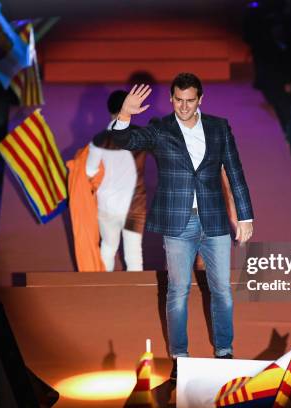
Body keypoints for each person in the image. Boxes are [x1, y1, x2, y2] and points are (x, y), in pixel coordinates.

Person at [110, 73, 254, 379]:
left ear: (200, 100)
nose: (184, 106)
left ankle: (224, 352)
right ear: (171, 99)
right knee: (177, 291)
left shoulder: (219, 127)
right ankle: (180, 357)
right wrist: (125, 114)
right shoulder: (160, 129)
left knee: (223, 291)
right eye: (178, 100)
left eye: (190, 101)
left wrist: (245, 217)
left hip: (213, 220)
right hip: (178, 222)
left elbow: (235, 171)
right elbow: (124, 140)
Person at [84, 90, 147, 271]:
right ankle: (137, 296)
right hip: (134, 206)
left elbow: (90, 172)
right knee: (134, 254)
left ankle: (104, 292)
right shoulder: (141, 136)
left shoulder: (98, 140)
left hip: (106, 206)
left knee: (108, 248)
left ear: (109, 109)